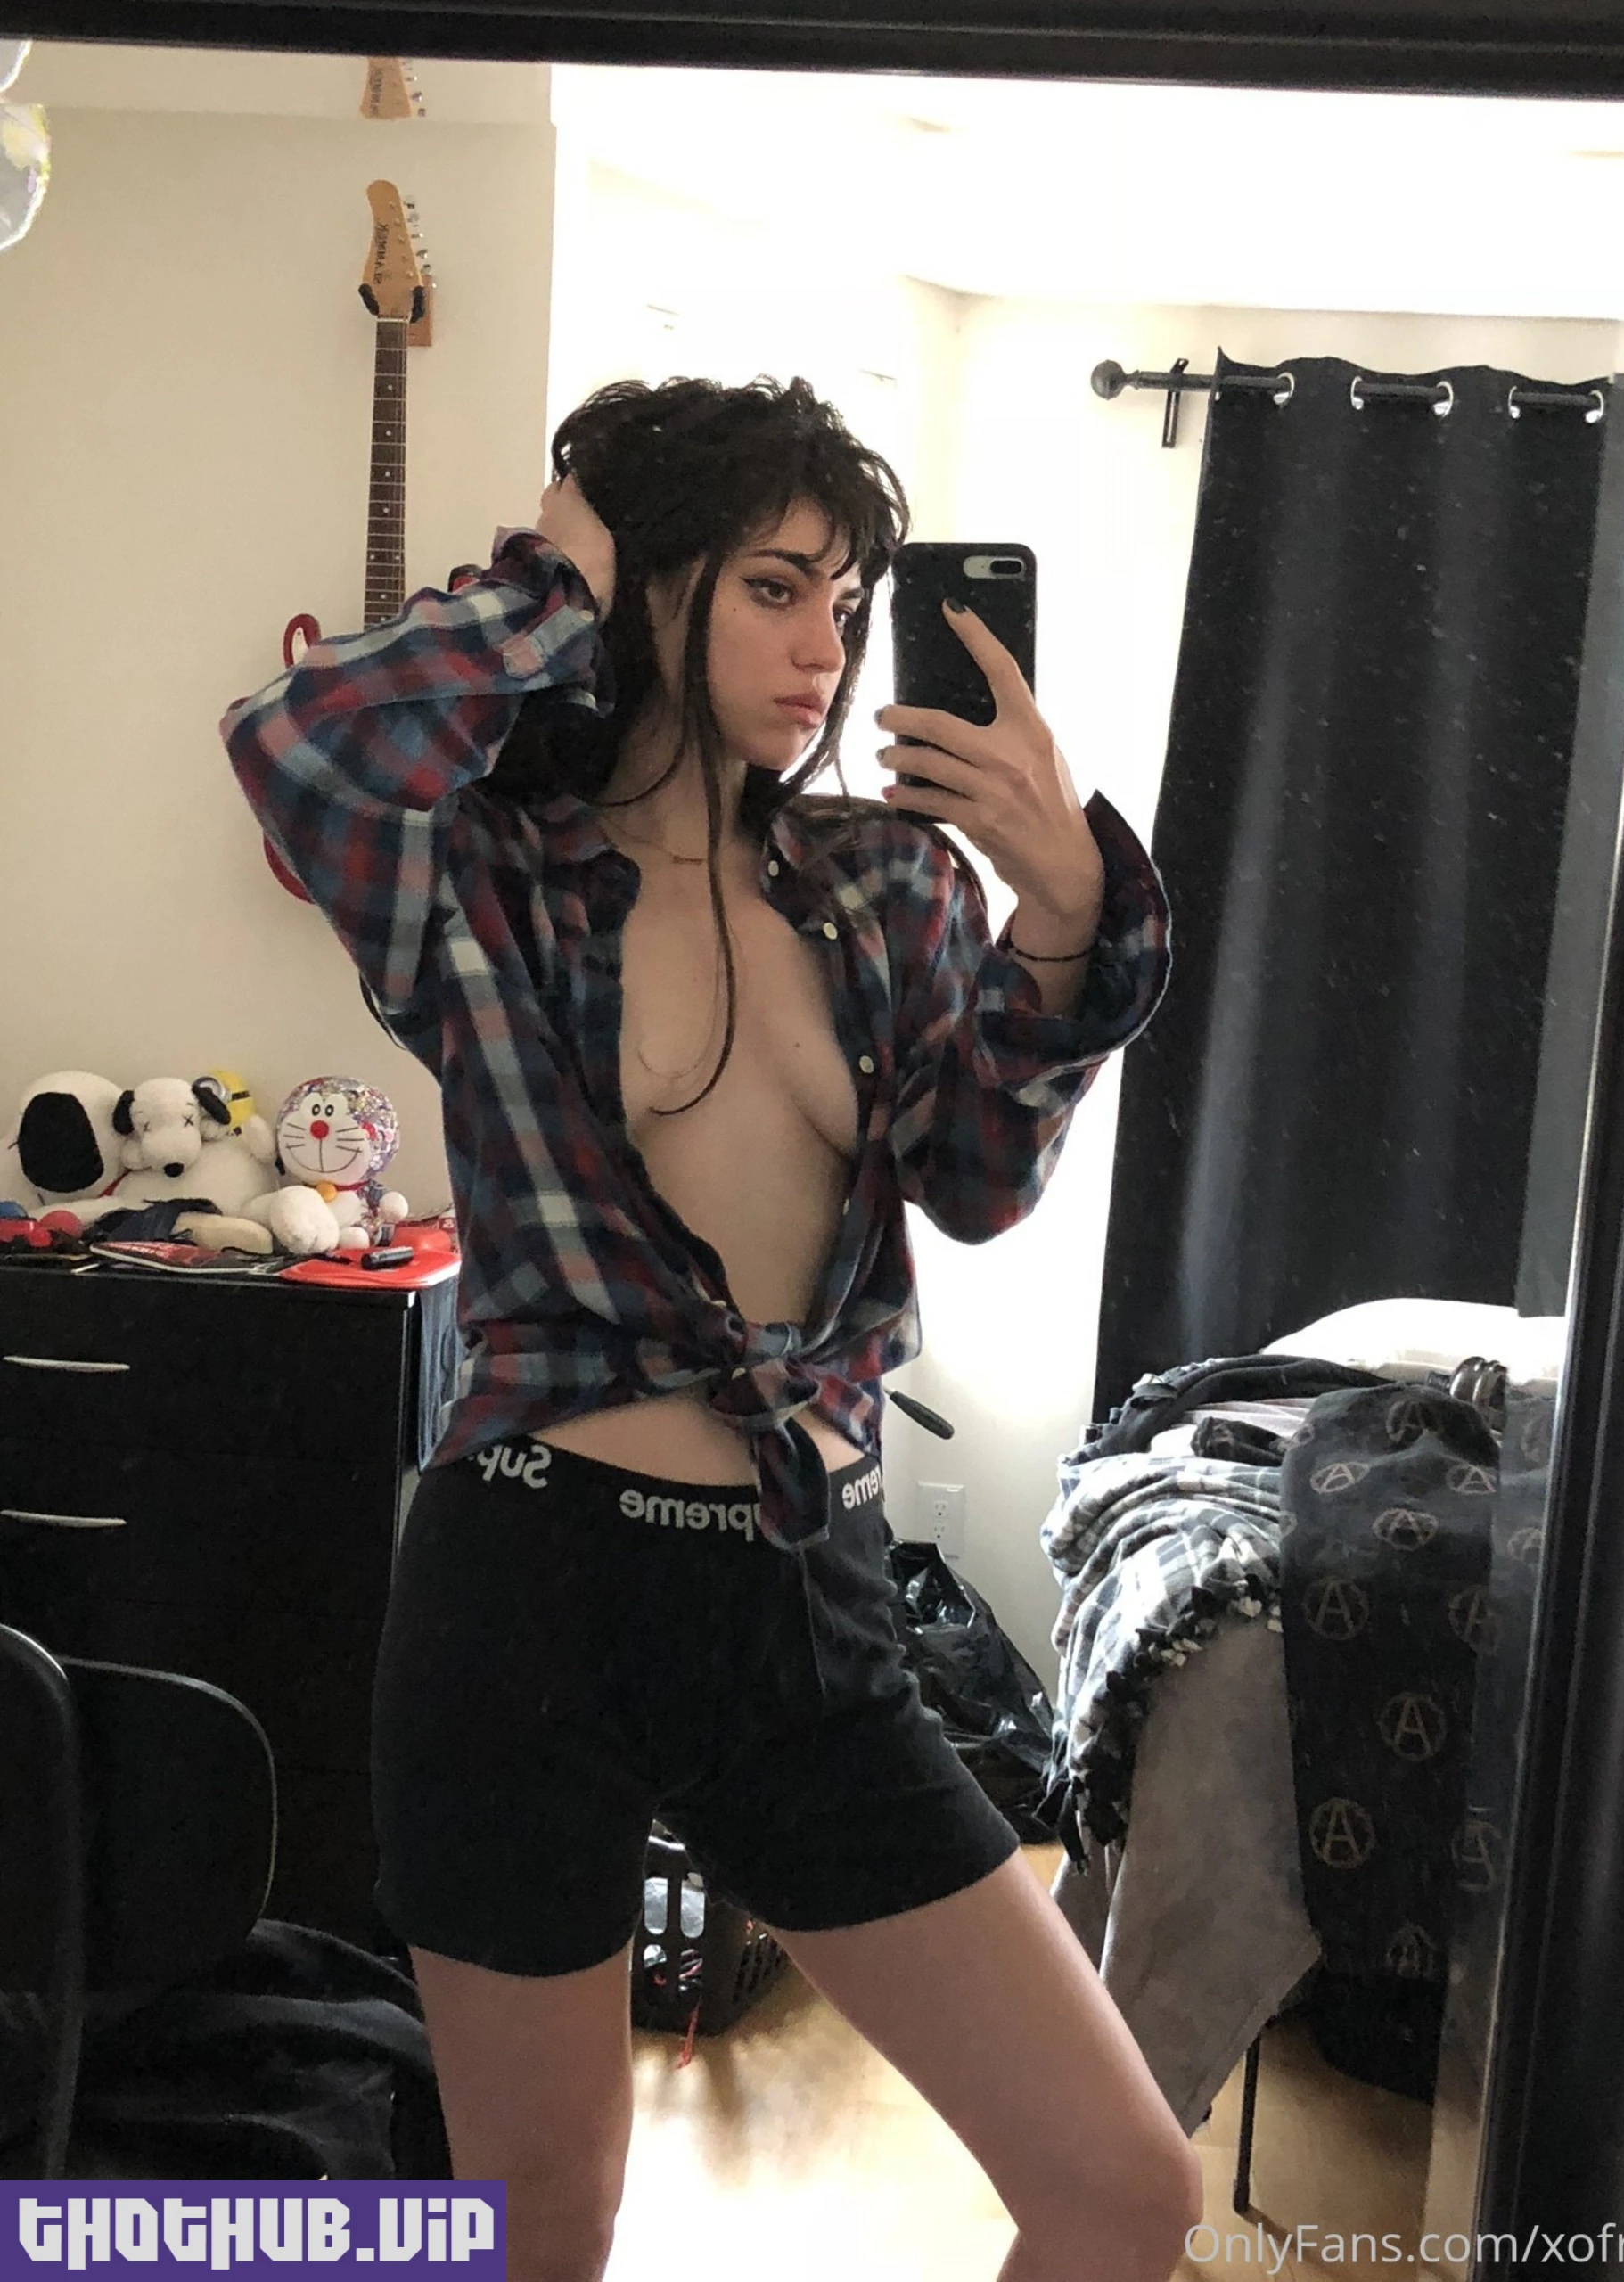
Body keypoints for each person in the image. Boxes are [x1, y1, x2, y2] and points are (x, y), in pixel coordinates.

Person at [222, 374, 1201, 2282]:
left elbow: (978, 1177)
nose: (826, 648)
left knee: (1123, 2186)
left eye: (847, 600)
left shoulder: (888, 883)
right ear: (652, 588)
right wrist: (558, 571)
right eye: (771, 587)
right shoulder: (484, 874)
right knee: (542, 2228)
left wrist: (1065, 910)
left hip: (804, 1609)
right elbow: (302, 746)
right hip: (530, 1593)